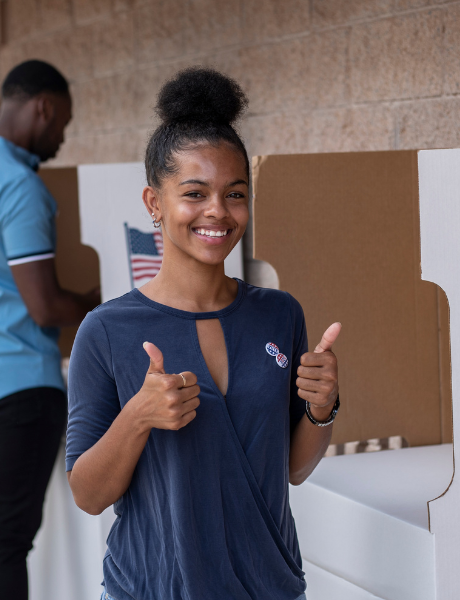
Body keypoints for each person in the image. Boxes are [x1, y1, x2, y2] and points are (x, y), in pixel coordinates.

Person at [66, 68, 343, 600]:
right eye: (195, 193)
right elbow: (88, 495)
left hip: (271, 587)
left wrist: (321, 406)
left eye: (234, 193)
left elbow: (292, 469)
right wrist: (138, 417)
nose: (218, 210)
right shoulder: (106, 330)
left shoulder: (279, 314)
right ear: (154, 203)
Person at [0, 59, 100, 600]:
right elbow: (46, 306)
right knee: (6, 540)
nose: (61, 136)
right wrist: (100, 304)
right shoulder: (19, 186)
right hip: (21, 384)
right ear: (42, 107)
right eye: (63, 124)